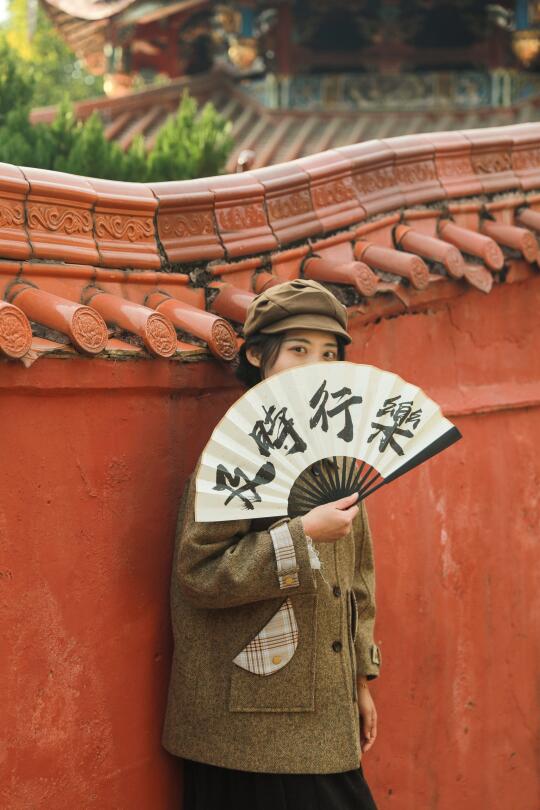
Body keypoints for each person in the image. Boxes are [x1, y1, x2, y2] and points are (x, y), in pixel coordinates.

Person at [163, 279, 382, 809]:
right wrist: (302, 536)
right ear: (259, 356)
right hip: (248, 723)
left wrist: (360, 679)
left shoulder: (334, 450)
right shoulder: (237, 450)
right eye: (299, 349)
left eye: (328, 353)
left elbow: (357, 576)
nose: (315, 365)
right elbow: (199, 574)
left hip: (324, 711)